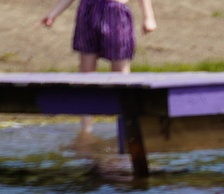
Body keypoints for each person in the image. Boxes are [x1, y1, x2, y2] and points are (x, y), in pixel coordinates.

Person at [39, 0, 157, 133]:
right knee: (86, 74)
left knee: (121, 73)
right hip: (88, 9)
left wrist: (148, 16)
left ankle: (125, 127)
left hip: (115, 10)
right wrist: (53, 14)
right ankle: (86, 129)